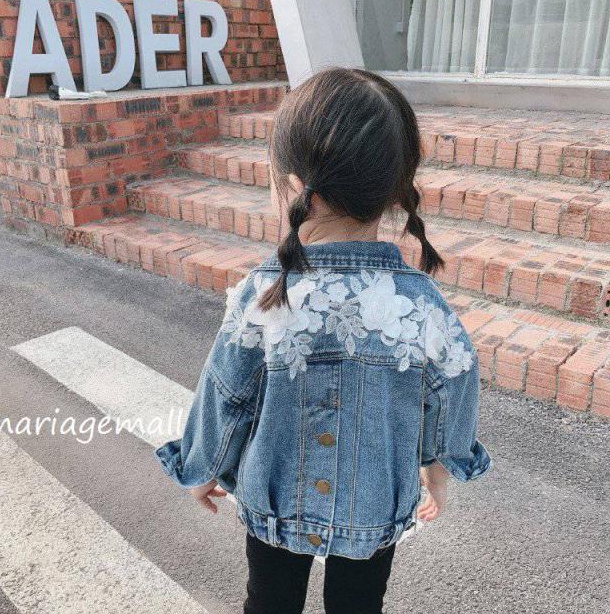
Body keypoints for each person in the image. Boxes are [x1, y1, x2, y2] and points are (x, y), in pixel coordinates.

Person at [155, 67, 492, 614]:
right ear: (392, 190)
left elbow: (226, 392)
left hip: (275, 496)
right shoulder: (420, 304)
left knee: (269, 602)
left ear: (294, 186)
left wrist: (202, 466)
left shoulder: (266, 294)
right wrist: (437, 473)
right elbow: (453, 390)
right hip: (374, 506)